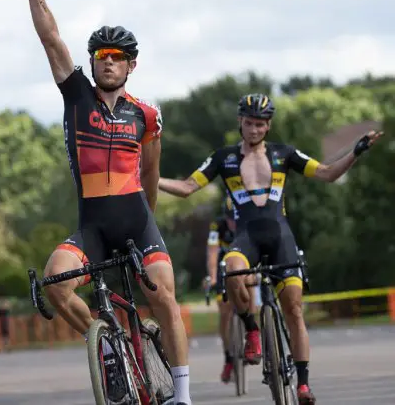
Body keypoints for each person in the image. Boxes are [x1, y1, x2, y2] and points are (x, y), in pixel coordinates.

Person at [157, 93, 383, 404]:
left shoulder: (284, 154)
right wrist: (147, 178)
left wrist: (356, 152)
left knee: (294, 310)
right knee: (232, 269)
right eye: (249, 123)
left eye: (260, 124)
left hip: (281, 238)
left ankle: (303, 385)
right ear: (240, 122)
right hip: (246, 238)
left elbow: (327, 174)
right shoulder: (223, 158)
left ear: (268, 126)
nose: (253, 129)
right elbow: (186, 188)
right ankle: (252, 330)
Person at [24, 0, 191, 403]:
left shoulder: (146, 115)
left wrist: (148, 225)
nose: (109, 62)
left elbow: (151, 172)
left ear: (131, 65)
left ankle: (183, 395)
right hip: (93, 227)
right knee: (54, 283)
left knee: (164, 299)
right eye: (102, 56)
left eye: (117, 56)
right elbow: (50, 37)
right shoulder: (77, 95)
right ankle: (109, 346)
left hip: (138, 223)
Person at [205, 195, 259, 383]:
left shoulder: (248, 222)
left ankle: (252, 333)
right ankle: (229, 357)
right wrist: (212, 277)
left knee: (251, 281)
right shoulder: (217, 227)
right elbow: (212, 252)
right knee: (225, 312)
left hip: (246, 267)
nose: (232, 223)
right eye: (229, 219)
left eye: (234, 219)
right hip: (223, 270)